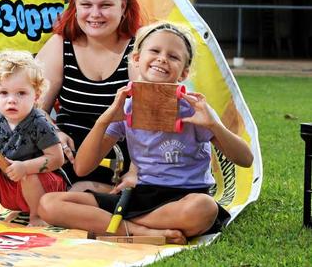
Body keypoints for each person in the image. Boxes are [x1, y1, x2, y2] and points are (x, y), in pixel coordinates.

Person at [38, 22, 254, 244]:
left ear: (184, 72)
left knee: (205, 208)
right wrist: (105, 120)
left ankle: (119, 225)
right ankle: (142, 231)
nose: (162, 58)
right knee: (49, 204)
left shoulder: (194, 109)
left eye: (173, 56)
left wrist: (213, 126)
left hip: (184, 198)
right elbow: (82, 167)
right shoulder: (128, 107)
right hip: (140, 195)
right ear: (136, 59)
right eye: (155, 51)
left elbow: (245, 159)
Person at [35, 0, 143, 192]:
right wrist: (53, 133)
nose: (95, 14)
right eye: (86, 5)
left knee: (69, 197)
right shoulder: (60, 45)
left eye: (105, 5)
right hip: (66, 153)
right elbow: (33, 109)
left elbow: (150, 123)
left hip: (120, 158)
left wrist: (135, 172)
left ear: (122, 6)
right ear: (75, 5)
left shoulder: (140, 49)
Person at [0, 50, 66, 227]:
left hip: (44, 189)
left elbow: (57, 159)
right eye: (4, 93)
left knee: (28, 176)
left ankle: (37, 216)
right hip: (10, 187)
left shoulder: (39, 123)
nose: (11, 100)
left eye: (21, 93)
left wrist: (25, 167)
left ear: (36, 95)